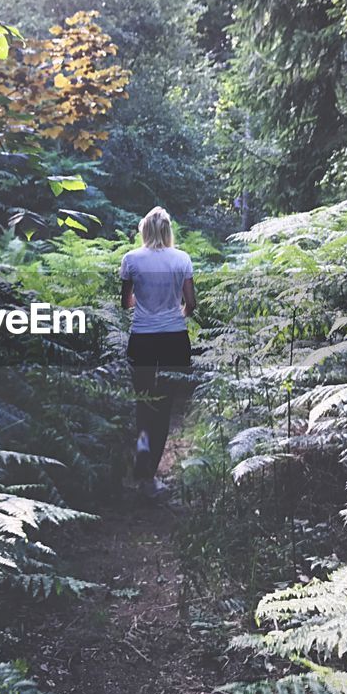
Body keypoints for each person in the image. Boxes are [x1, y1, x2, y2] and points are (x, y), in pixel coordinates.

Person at [119, 206, 195, 500]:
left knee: (143, 405)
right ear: (168, 230)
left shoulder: (132, 259)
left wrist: (147, 301)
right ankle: (150, 478)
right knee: (164, 407)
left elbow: (126, 302)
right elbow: (191, 303)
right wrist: (175, 313)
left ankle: (141, 470)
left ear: (145, 230)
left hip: (143, 339)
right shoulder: (182, 259)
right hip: (174, 339)